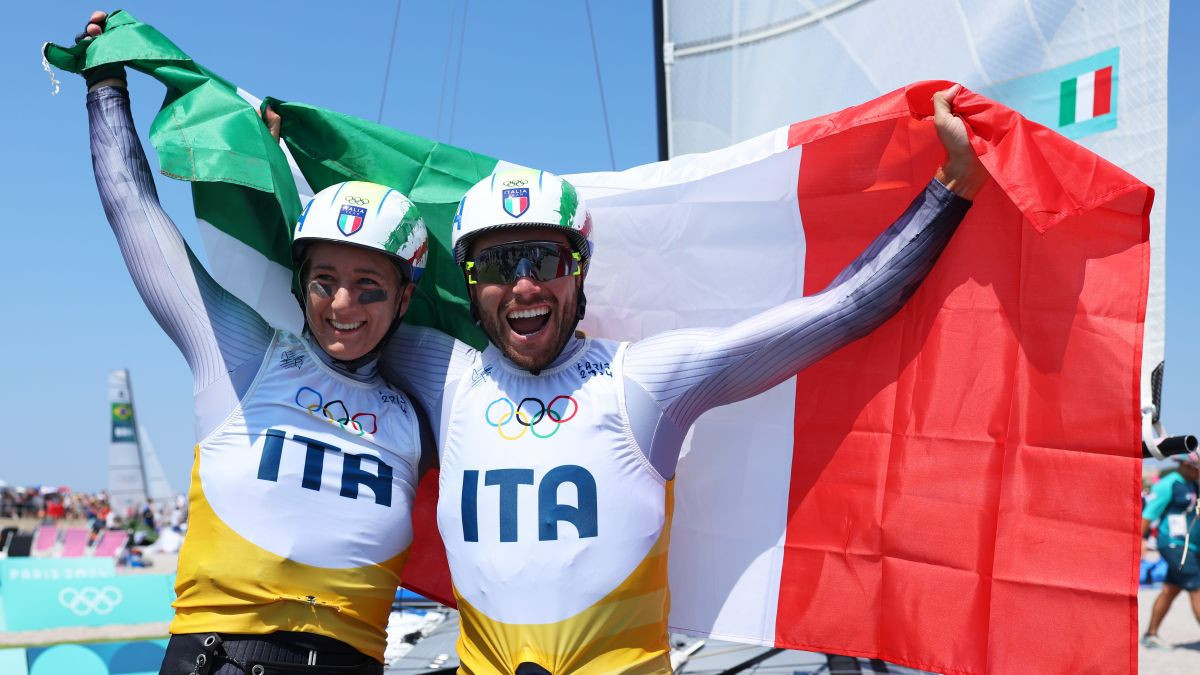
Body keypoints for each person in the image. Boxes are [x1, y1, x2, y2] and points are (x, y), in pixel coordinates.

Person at [376, 87, 985, 672]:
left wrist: (954, 183)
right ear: (469, 283)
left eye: (547, 259)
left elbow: (842, 309)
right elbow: (330, 309)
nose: (526, 284)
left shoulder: (643, 381)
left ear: (579, 273)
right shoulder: (441, 375)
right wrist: (282, 167)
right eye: (500, 263)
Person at [77, 11, 431, 674]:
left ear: (407, 295)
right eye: (324, 280)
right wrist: (106, 87)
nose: (343, 305)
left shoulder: (427, 400)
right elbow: (133, 207)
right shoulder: (243, 350)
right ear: (301, 282)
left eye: (369, 286)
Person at [1141, 456, 1200, 650]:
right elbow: (1148, 515)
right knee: (1197, 589)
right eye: (1196, 468)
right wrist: (1139, 541)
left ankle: (1150, 635)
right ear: (1185, 465)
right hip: (1174, 545)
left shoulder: (1192, 484)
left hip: (1190, 546)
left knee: (1171, 589)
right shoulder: (1168, 484)